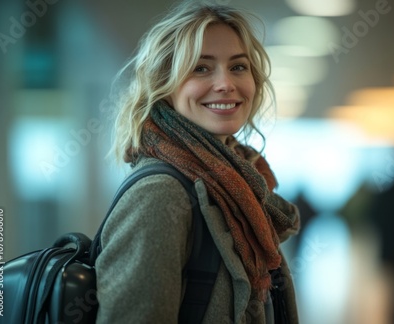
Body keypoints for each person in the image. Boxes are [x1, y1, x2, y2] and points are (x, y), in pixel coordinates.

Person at [95, 2, 301, 323]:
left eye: (238, 67)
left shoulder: (240, 182)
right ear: (165, 87)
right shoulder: (161, 194)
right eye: (201, 68)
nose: (226, 84)